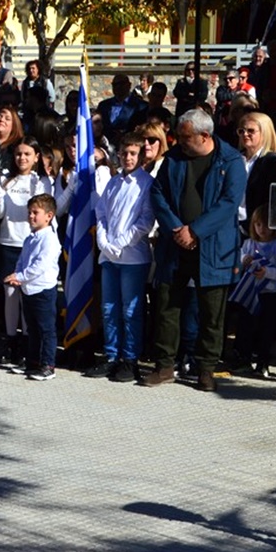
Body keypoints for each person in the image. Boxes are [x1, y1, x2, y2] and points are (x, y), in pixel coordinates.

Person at [143, 109, 246, 392]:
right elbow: (158, 193)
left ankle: (206, 369)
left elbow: (229, 203)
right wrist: (177, 228)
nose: (179, 141)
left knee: (211, 313)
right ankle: (164, 365)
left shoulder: (230, 161)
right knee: (167, 306)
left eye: (185, 137)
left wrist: (196, 231)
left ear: (204, 136)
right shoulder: (174, 158)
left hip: (213, 247)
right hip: (175, 245)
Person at [85, 133, 155, 383]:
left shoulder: (146, 183)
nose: (127, 158)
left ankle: (130, 358)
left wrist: (121, 242)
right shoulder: (114, 182)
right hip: (109, 255)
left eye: (133, 153)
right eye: (124, 153)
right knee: (109, 308)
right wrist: (104, 241)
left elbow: (145, 220)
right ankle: (111, 355)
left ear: (141, 156)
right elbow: (101, 213)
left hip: (132, 256)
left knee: (131, 309)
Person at [0, 140, 52, 367]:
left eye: (27, 154)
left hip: (30, 245)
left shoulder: (41, 181)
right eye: (18, 154)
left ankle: (28, 343)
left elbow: (45, 213)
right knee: (10, 295)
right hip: (8, 242)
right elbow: (0, 214)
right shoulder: (7, 179)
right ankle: (11, 342)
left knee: (27, 296)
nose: (22, 158)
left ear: (36, 157)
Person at [4, 193, 61, 381]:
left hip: (43, 290)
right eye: (29, 212)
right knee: (32, 328)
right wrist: (17, 275)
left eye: (35, 213)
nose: (31, 216)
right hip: (28, 289)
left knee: (46, 329)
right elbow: (22, 261)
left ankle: (48, 365)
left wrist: (21, 277)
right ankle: (32, 362)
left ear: (49, 216)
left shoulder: (50, 239)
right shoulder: (30, 238)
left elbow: (40, 265)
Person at [226, 204, 276, 378]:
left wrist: (266, 272)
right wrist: (245, 259)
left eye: (266, 225)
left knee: (267, 328)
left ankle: (263, 363)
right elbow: (240, 257)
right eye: (258, 224)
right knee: (246, 325)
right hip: (250, 292)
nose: (262, 229)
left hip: (270, 293)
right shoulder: (249, 243)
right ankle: (243, 359)